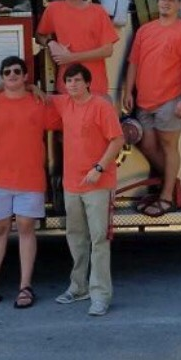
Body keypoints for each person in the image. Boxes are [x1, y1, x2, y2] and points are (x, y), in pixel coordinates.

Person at [46, 64, 124, 317]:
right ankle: (78, 287)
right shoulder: (64, 103)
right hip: (72, 185)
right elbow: (41, 96)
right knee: (76, 236)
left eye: (77, 80)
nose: (72, 84)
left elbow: (117, 139)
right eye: (68, 80)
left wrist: (99, 168)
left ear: (88, 83)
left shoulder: (101, 106)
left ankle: (100, 295)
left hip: (98, 184)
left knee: (99, 239)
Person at [120, 0, 181, 218]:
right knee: (146, 144)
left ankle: (166, 197)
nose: (165, 2)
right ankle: (172, 181)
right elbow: (133, 62)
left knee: (169, 147)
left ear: (179, 4)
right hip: (144, 102)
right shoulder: (145, 31)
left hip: (170, 100)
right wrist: (128, 91)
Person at [0, 55, 48, 310]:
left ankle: (25, 286)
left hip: (30, 179)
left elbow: (74, 105)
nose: (12, 75)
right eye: (7, 72)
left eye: (18, 71)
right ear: (1, 77)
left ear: (26, 76)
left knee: (26, 228)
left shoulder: (40, 102)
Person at [35, 0, 119, 96]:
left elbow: (108, 50)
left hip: (94, 86)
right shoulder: (53, 9)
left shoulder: (98, 11)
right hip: (67, 87)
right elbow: (39, 35)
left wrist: (71, 58)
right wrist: (51, 43)